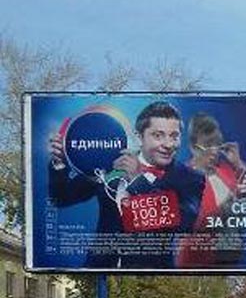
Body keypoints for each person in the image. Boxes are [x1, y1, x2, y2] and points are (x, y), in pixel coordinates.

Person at [49, 100, 205, 268]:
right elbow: (61, 199)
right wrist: (59, 164)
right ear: (139, 137)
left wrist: (138, 181)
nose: (168, 144)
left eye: (174, 136)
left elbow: (184, 223)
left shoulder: (190, 178)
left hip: (151, 279)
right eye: (158, 135)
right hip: (100, 271)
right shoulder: (111, 161)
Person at [175, 112, 246, 268]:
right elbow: (189, 224)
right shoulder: (182, 177)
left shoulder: (225, 170)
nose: (214, 151)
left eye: (218, 144)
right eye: (208, 145)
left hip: (231, 258)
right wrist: (225, 209)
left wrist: (238, 165)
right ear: (193, 147)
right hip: (196, 262)